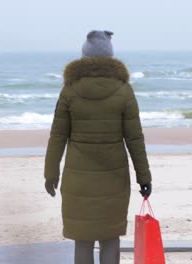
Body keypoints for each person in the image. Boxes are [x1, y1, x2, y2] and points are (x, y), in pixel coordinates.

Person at [44, 30, 152, 264]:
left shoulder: (70, 89)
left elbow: (57, 136)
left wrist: (51, 173)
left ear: (84, 56)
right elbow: (135, 139)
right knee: (110, 236)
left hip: (78, 179)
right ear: (111, 57)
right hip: (113, 178)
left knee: (82, 239)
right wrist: (144, 176)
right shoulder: (124, 91)